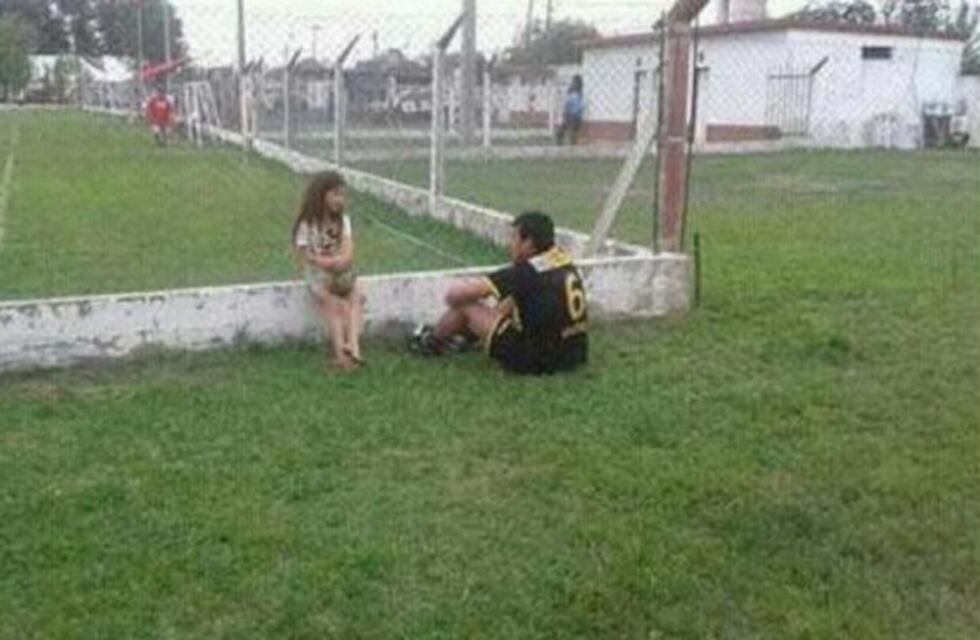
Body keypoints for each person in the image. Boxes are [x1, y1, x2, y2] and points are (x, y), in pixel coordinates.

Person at [411, 212, 588, 375]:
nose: (510, 244)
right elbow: (518, 299)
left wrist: (471, 288)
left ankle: (431, 342)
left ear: (528, 243)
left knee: (465, 306)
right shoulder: (562, 260)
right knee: (514, 298)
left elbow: (453, 296)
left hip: (537, 361)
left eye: (514, 238)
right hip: (574, 355)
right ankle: (470, 338)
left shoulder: (525, 272)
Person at [292, 171, 365, 371]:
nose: (339, 200)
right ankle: (341, 354)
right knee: (334, 304)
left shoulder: (344, 221)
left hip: (341, 272)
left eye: (342, 195)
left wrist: (340, 262)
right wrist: (326, 263)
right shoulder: (307, 223)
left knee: (357, 296)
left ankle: (354, 348)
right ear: (320, 194)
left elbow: (349, 250)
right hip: (318, 274)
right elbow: (305, 255)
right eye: (334, 194)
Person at [556, 75, 585, 146]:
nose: (573, 83)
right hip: (571, 114)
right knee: (563, 129)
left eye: (574, 81)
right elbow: (567, 103)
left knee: (572, 130)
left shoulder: (579, 92)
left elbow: (580, 105)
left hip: (574, 115)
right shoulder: (573, 90)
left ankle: (571, 143)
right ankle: (562, 142)